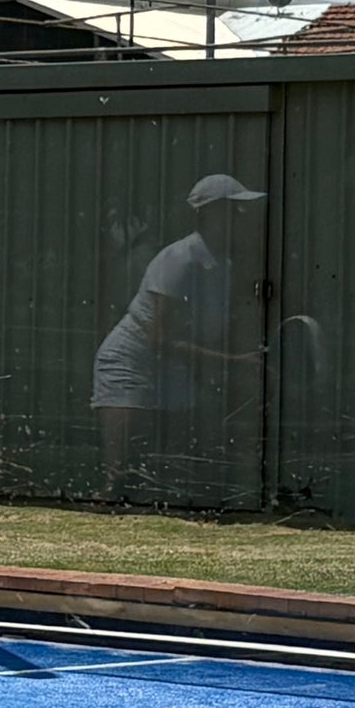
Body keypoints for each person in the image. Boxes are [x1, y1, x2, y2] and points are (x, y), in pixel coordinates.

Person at [91, 171, 264, 498]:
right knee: (121, 477)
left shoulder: (223, 263)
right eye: (234, 209)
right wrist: (235, 361)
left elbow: (206, 330)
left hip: (174, 370)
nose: (242, 217)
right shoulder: (178, 259)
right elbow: (160, 340)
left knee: (171, 471)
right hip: (128, 366)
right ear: (211, 214)